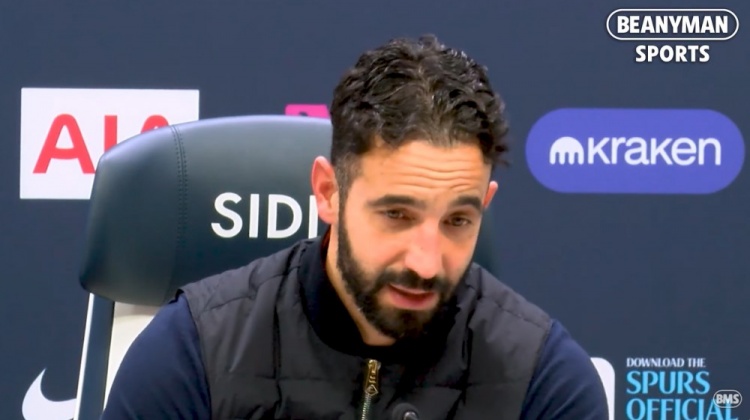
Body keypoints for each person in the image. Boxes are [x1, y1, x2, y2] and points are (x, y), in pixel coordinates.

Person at [102, 34, 609, 419]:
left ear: (485, 204)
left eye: (458, 220)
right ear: (328, 192)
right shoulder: (192, 353)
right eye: (397, 215)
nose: (426, 262)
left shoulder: (542, 379)